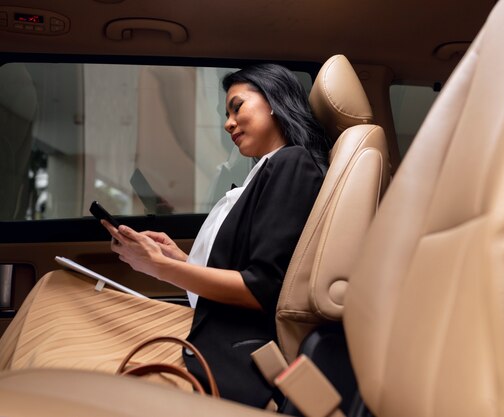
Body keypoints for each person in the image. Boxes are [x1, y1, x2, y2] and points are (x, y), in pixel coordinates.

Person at [0, 64, 331, 408]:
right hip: (207, 325)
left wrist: (161, 268)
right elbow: (240, 266)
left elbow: (260, 289)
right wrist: (178, 259)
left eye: (237, 107)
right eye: (226, 113)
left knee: (54, 298)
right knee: (55, 289)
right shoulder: (264, 170)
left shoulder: (292, 163)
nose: (227, 123)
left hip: (222, 346)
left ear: (275, 102)